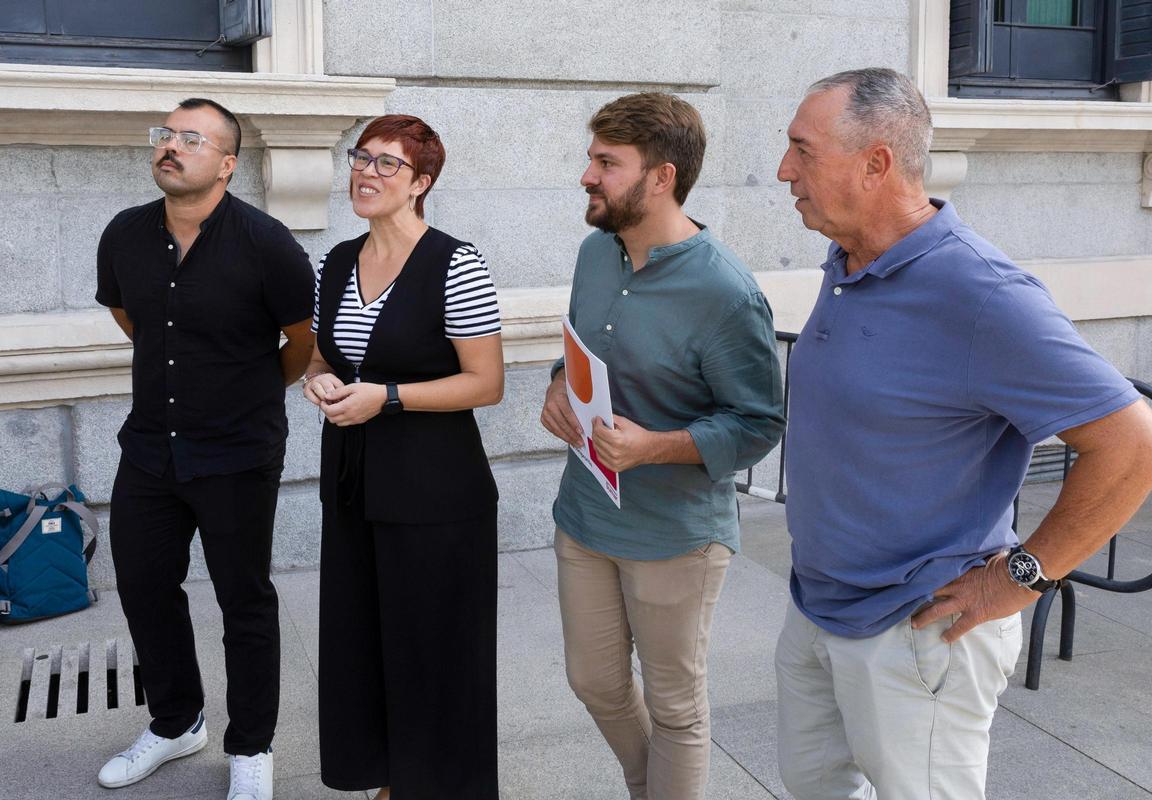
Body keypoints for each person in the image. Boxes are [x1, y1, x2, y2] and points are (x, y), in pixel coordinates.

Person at [774, 67, 1152, 800]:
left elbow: (1141, 448)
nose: (783, 171)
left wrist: (1023, 576)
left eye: (802, 150)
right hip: (819, 608)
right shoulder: (849, 259)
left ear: (876, 164)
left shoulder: (982, 294)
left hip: (918, 630)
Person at [539, 92, 786, 800]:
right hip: (585, 516)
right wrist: (559, 383)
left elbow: (759, 422)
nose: (588, 176)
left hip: (677, 537)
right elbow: (583, 346)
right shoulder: (595, 253)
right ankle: (650, 787)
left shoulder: (725, 292)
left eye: (607, 163)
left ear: (661, 177)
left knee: (677, 705)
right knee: (594, 681)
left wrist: (655, 447)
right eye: (591, 158)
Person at [95, 98, 316, 800]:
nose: (172, 146)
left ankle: (250, 746)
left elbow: (302, 343)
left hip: (238, 452)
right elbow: (132, 318)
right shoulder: (125, 234)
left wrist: (243, 392)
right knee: (143, 588)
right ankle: (175, 722)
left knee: (242, 600)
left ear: (226, 164)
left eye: (192, 138)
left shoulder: (266, 242)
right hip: (149, 452)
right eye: (167, 133)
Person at [301, 114, 504, 800]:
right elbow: (325, 357)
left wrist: (386, 398)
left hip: (435, 493)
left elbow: (486, 382)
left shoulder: (456, 263)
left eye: (388, 164)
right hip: (355, 485)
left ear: (420, 184)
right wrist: (319, 380)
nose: (365, 171)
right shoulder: (334, 262)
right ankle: (387, 781)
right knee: (364, 644)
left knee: (432, 652)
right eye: (361, 156)